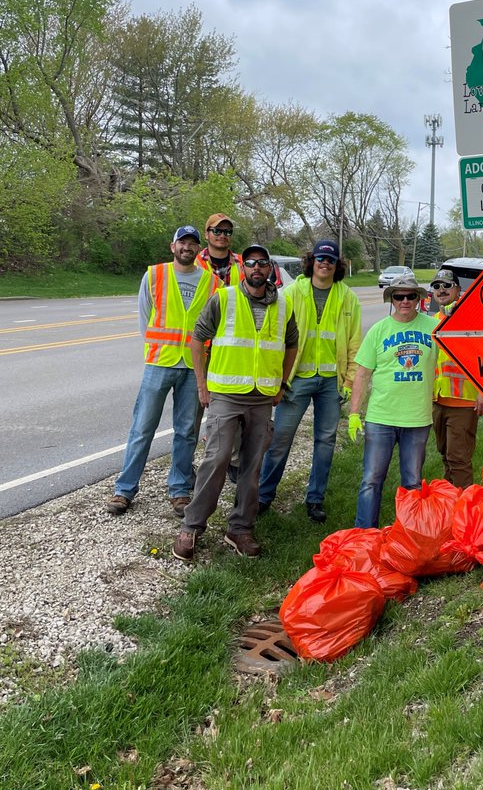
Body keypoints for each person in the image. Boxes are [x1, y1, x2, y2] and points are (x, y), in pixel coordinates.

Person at [173, 244, 298, 561]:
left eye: (262, 263)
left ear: (270, 269)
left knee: (252, 466)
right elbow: (198, 339)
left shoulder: (283, 305)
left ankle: (240, 528)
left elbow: (292, 344)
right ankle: (191, 526)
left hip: (262, 398)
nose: (257, 268)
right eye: (251, 263)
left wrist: (282, 383)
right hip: (226, 396)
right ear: (243, 269)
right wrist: (201, 384)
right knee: (216, 459)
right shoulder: (224, 298)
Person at [106, 225, 220, 516]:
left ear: (198, 249)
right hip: (159, 363)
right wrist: (155, 349)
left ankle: (179, 490)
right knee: (142, 428)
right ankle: (124, 489)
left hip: (194, 366)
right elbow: (145, 319)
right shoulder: (154, 275)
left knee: (186, 431)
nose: (187, 247)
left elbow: (214, 326)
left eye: (192, 243)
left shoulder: (212, 283)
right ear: (173, 247)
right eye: (182, 242)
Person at [257, 239, 362, 522]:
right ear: (311, 261)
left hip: (331, 382)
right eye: (320, 258)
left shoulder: (348, 298)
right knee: (280, 440)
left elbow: (354, 343)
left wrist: (349, 382)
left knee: (325, 441)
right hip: (296, 379)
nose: (325, 263)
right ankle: (263, 496)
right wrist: (277, 379)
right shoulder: (292, 293)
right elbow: (274, 336)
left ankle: (315, 499)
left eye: (330, 260)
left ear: (337, 265)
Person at [349, 271, 438, 528]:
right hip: (381, 418)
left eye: (410, 296)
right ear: (392, 299)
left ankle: (409, 535)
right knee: (371, 480)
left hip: (417, 418)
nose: (405, 301)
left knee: (412, 482)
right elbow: (362, 373)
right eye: (399, 297)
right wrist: (354, 413)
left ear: (419, 298)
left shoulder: (434, 329)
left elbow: (461, 351)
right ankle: (365, 534)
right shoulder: (379, 330)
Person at [430, 268, 483, 487]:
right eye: (437, 286)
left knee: (458, 459)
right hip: (438, 400)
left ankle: (466, 503)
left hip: (464, 402)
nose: (442, 290)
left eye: (447, 285)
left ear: (458, 290)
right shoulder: (434, 321)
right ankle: (451, 500)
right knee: (446, 456)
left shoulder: (470, 318)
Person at [196, 213, 242, 284]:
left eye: (227, 232)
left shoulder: (243, 263)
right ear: (206, 234)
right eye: (217, 231)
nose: (222, 236)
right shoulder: (195, 263)